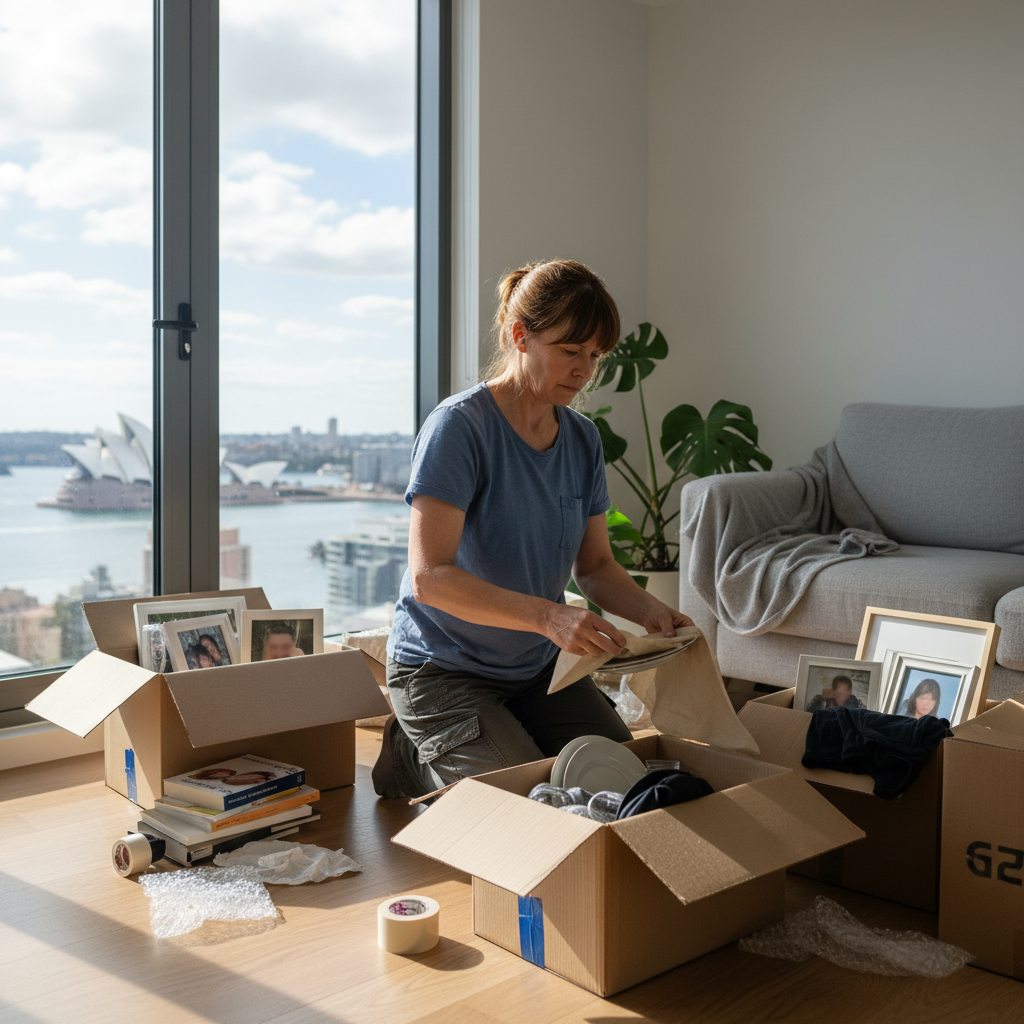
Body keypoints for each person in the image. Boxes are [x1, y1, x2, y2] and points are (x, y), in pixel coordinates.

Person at [375, 259, 693, 799]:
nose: (585, 370)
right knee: (526, 802)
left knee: (624, 787)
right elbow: (430, 578)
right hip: (442, 668)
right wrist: (549, 616)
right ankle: (410, 756)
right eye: (571, 351)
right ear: (520, 336)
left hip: (537, 668)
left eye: (595, 355)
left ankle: (471, 743)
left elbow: (595, 567)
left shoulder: (583, 439)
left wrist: (653, 613)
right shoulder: (459, 427)